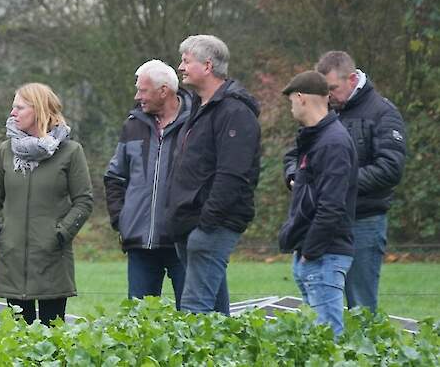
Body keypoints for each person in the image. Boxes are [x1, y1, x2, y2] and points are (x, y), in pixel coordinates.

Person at [285, 51, 406, 313]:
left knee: (360, 305)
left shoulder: (383, 113)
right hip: (323, 219)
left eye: (332, 89)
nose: (328, 96)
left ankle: (363, 353)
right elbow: (294, 154)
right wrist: (297, 176)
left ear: (352, 79)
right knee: (320, 304)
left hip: (364, 219)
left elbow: (390, 168)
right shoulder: (325, 112)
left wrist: (337, 183)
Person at [0, 83, 93, 325]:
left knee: (52, 342)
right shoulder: (6, 152)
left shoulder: (71, 152)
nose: (13, 113)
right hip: (12, 260)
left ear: (39, 110)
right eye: (13, 108)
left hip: (52, 260)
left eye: (19, 107)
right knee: (18, 342)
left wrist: (60, 234)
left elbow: (83, 201)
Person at [166, 34, 261, 315]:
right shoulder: (199, 108)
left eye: (186, 61)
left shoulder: (235, 112)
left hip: (211, 225)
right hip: (190, 223)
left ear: (207, 66)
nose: (180, 67)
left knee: (195, 310)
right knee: (215, 312)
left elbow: (233, 175)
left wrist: (206, 225)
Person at [278, 70, 358, 336]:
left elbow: (332, 206)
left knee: (328, 337)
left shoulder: (333, 142)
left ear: (300, 98)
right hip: (312, 253)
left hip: (324, 255)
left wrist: (311, 251)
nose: (290, 107)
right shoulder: (314, 137)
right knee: (317, 336)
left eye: (290, 101)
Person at [104, 60, 190, 306]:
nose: (137, 96)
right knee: (139, 323)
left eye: (143, 90)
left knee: (195, 318)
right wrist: (122, 220)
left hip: (181, 240)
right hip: (139, 242)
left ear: (164, 91)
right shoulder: (132, 126)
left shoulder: (195, 124)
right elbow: (114, 176)